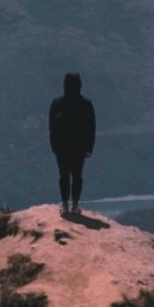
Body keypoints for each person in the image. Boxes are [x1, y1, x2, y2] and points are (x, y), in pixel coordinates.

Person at [48, 72, 96, 215]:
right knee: (75, 175)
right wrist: (89, 147)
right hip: (77, 147)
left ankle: (66, 204)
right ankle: (73, 204)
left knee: (66, 175)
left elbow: (51, 127)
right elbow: (91, 128)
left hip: (65, 147)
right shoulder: (86, 104)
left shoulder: (57, 104)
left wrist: (54, 145)